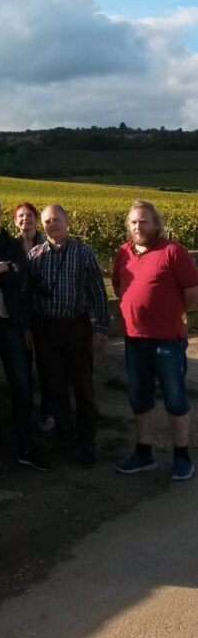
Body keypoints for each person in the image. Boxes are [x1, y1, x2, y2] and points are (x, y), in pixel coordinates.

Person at [112, 199, 198, 481]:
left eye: (144, 221)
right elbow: (117, 285)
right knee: (139, 398)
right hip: (134, 339)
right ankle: (143, 453)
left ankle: (182, 455)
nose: (138, 226)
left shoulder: (173, 251)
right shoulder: (123, 253)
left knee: (175, 398)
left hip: (167, 340)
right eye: (134, 222)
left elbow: (192, 293)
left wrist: (172, 313)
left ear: (155, 224)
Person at [0, 196, 50, 471]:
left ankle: (26, 446)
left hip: (9, 320)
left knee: (20, 383)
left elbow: (18, 275)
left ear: (0, 216)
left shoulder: (12, 244)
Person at [27, 205, 109, 468]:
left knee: (83, 386)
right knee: (55, 387)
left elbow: (97, 291)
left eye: (56, 219)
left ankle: (87, 442)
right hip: (46, 329)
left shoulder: (83, 253)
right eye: (47, 221)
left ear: (67, 221)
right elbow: (28, 296)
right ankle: (65, 440)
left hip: (76, 326)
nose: (52, 225)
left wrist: (101, 328)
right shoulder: (35, 255)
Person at [13, 201, 53, 433]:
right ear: (16, 220)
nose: (25, 219)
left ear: (35, 219)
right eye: (21, 216)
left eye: (29, 215)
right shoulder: (12, 245)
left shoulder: (47, 243)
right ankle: (25, 414)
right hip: (21, 314)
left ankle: (48, 411)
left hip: (44, 313)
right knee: (24, 367)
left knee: (47, 366)